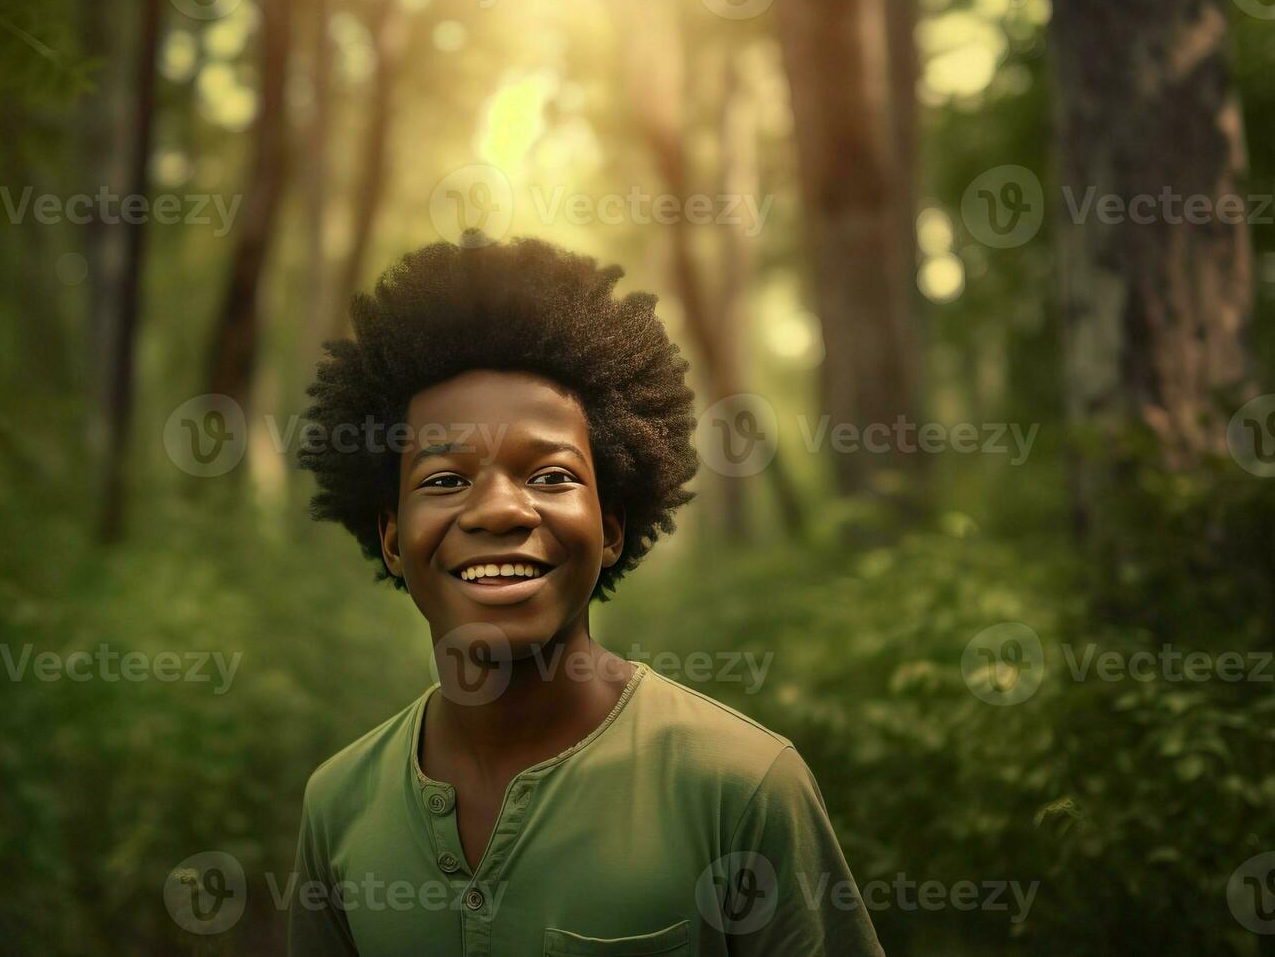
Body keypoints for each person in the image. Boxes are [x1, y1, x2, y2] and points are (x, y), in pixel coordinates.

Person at [289, 238, 882, 956]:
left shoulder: (741, 788)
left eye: (550, 476)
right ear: (391, 537)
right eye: (444, 481)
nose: (500, 510)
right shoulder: (337, 802)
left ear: (611, 528)